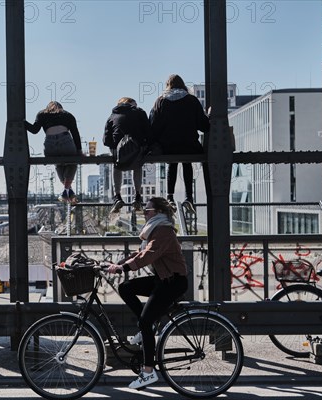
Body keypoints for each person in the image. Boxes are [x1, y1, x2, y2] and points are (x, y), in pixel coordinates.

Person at [106, 197, 188, 390]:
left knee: (145, 321)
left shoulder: (164, 231)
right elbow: (139, 253)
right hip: (163, 278)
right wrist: (118, 264)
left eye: (148, 210)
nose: (145, 212)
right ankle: (146, 329)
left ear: (159, 212)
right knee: (126, 288)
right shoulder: (154, 230)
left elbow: (149, 255)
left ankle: (148, 372)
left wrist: (124, 269)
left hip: (173, 282)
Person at [149, 74, 210, 213]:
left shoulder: (160, 102)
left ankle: (170, 197)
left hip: (168, 148)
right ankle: (189, 197)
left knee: (172, 162)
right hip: (190, 146)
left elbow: (154, 127)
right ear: (183, 85)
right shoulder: (192, 100)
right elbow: (204, 126)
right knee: (187, 162)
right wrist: (208, 116)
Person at [25, 101, 82, 203]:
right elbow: (75, 134)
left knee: (58, 163)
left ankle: (69, 192)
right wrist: (79, 152)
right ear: (61, 108)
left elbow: (34, 130)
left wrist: (22, 122)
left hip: (50, 146)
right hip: (66, 142)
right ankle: (66, 191)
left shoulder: (42, 114)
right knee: (72, 162)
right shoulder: (68, 115)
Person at [103, 97, 151, 213]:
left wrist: (116, 145)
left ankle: (117, 196)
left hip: (119, 155)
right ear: (130, 104)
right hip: (137, 152)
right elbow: (149, 132)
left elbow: (106, 140)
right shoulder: (139, 112)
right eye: (134, 104)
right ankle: (138, 196)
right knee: (138, 164)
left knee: (116, 163)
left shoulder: (112, 116)